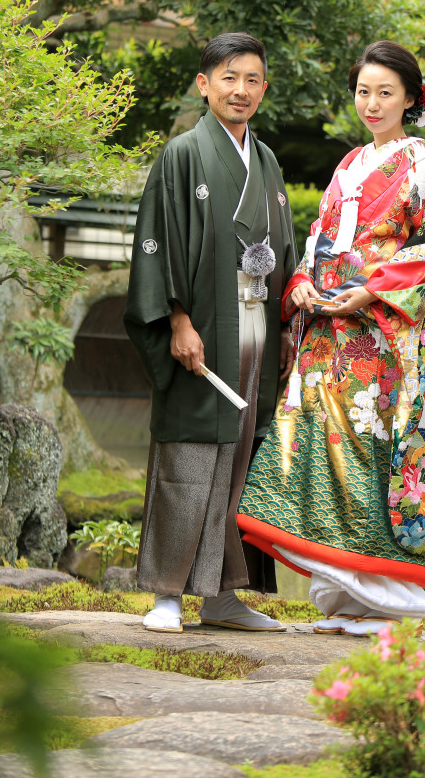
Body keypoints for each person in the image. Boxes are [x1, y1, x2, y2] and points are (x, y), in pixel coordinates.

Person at [237, 40, 425, 636]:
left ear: (409, 99)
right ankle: (345, 599)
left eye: (384, 93)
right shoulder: (349, 163)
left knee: (374, 457)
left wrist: (370, 292)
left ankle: (391, 602)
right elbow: (322, 238)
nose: (370, 104)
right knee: (323, 454)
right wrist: (298, 283)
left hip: (381, 338)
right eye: (363, 91)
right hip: (329, 333)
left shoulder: (422, 160)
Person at [124, 32, 298, 633]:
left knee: (242, 459)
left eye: (252, 79)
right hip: (202, 330)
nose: (240, 90)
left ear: (263, 89)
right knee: (190, 456)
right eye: (228, 77)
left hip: (257, 330)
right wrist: (177, 320)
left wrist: (292, 318)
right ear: (204, 84)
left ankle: (224, 596)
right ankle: (167, 594)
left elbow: (286, 252)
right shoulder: (183, 154)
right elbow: (158, 241)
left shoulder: (268, 161)